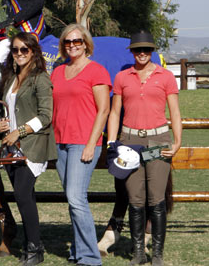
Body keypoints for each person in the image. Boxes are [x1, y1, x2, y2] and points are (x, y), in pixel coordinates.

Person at [106, 30, 182, 266]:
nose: (142, 54)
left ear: (152, 51)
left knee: (156, 199)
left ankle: (157, 254)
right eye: (138, 50)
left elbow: (175, 112)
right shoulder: (122, 77)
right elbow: (115, 111)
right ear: (132, 51)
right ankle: (138, 252)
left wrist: (177, 142)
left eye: (146, 49)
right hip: (130, 143)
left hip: (158, 142)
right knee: (135, 199)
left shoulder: (166, 76)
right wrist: (111, 142)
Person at [51, 24, 111, 266]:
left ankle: (89, 257)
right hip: (60, 142)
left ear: (86, 43)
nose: (72, 45)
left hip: (83, 142)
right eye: (67, 41)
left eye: (77, 41)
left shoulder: (97, 71)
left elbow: (104, 110)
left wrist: (91, 144)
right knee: (72, 198)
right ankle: (78, 250)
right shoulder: (57, 72)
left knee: (76, 198)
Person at [0, 32, 57, 266]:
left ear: (33, 52)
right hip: (11, 146)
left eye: (24, 49)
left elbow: (46, 116)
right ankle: (31, 246)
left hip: (31, 145)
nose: (19, 53)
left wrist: (18, 132)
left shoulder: (40, 78)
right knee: (24, 197)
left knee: (22, 195)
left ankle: (34, 248)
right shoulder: (11, 78)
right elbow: (7, 110)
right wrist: (1, 124)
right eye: (15, 49)